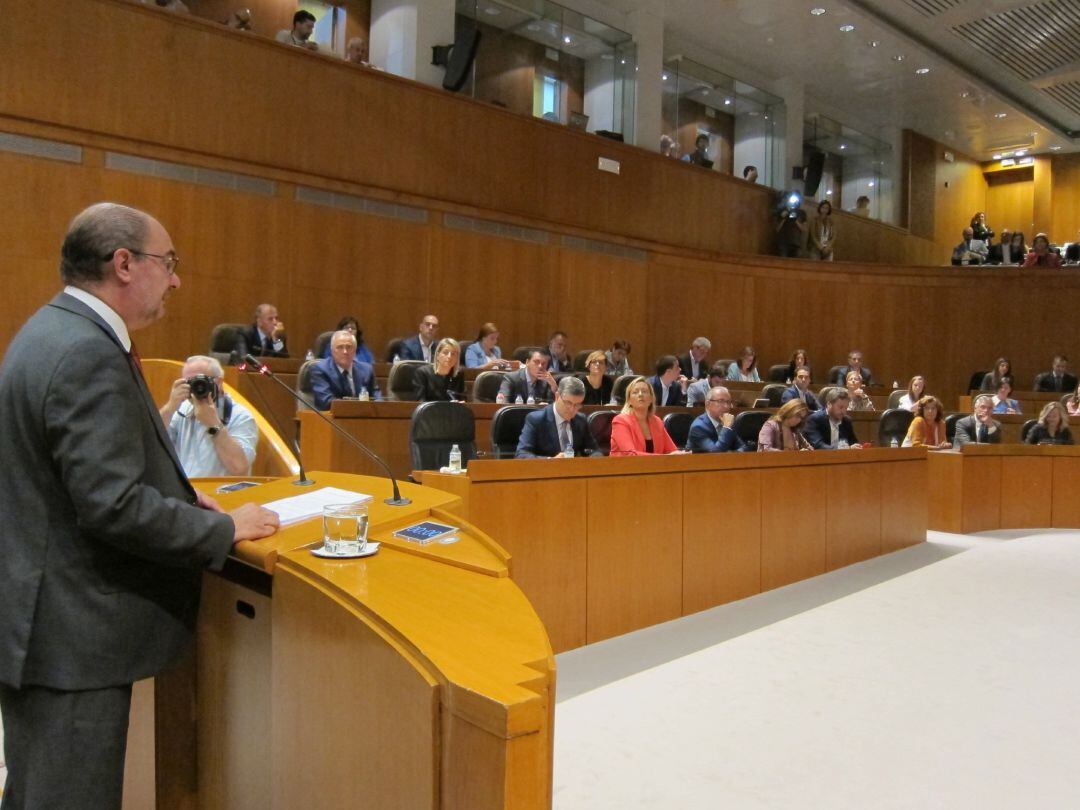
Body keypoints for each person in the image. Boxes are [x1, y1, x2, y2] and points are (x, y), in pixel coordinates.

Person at [0, 202, 279, 809]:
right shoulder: (85, 352)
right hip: (72, 639)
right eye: (167, 262)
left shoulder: (54, 329)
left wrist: (180, 497)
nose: (175, 278)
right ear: (124, 264)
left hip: (45, 624)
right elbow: (112, 505)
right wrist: (224, 528)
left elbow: (76, 479)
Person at [159, 355, 258, 477]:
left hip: (218, 494)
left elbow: (238, 468)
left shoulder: (240, 415)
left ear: (219, 382)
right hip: (185, 493)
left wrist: (212, 424)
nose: (196, 387)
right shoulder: (182, 409)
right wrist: (169, 408)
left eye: (201, 381)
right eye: (189, 382)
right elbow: (151, 444)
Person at [515, 376, 597, 458]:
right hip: (545, 470)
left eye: (577, 405)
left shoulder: (581, 420)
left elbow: (594, 451)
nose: (572, 409)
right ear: (557, 396)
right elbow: (522, 455)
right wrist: (551, 461)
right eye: (568, 403)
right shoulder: (536, 420)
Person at [610, 377, 683, 455]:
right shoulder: (621, 421)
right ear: (629, 401)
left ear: (651, 399)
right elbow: (630, 454)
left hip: (656, 466)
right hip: (626, 466)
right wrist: (664, 457)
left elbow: (672, 450)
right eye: (635, 392)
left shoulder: (657, 421)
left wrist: (682, 454)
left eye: (644, 391)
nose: (640, 394)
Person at [310, 330, 380, 409]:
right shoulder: (320, 369)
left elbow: (377, 398)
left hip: (364, 418)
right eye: (340, 347)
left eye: (349, 347)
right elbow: (326, 402)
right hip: (331, 418)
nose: (345, 351)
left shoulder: (367, 370)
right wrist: (357, 408)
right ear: (332, 350)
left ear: (355, 350)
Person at [687, 385, 745, 453]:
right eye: (721, 401)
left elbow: (743, 447)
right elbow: (716, 454)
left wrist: (730, 455)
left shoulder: (728, 422)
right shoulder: (698, 427)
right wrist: (726, 428)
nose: (726, 406)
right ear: (707, 404)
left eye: (728, 402)